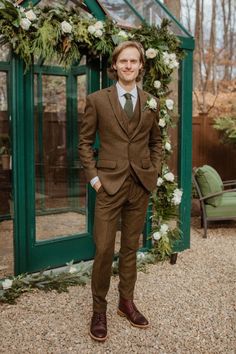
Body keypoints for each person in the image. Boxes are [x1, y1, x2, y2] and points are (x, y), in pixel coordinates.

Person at [79, 41, 162, 342]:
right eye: (123, 61)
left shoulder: (152, 102)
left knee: (130, 249)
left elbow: (156, 142)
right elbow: (85, 144)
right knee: (103, 250)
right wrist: (95, 180)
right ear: (114, 66)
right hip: (108, 186)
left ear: (141, 65)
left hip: (139, 185)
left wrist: (151, 171)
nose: (128, 66)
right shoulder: (97, 100)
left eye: (134, 61)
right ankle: (98, 309)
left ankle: (125, 302)